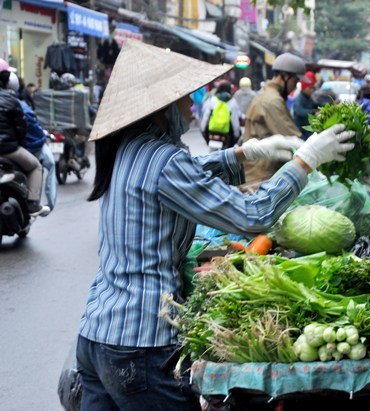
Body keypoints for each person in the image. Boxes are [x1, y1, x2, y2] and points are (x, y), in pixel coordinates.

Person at [75, 40, 354, 410]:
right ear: (161, 108)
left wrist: (243, 153)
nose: (191, 105)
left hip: (95, 337)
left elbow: (182, 178)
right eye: (184, 98)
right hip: (138, 344)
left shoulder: (128, 148)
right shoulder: (164, 160)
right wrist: (304, 163)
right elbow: (251, 216)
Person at [242, 52, 309, 189]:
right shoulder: (273, 101)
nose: (295, 87)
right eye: (295, 81)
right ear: (284, 76)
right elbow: (293, 139)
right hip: (260, 177)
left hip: (259, 174)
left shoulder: (268, 94)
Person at [0, 70, 49, 216]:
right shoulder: (11, 99)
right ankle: (33, 204)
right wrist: (19, 143)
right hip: (8, 149)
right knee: (36, 166)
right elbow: (22, 127)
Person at [14, 74, 57, 210]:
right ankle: (34, 204)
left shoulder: (19, 104)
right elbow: (32, 132)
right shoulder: (17, 105)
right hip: (11, 149)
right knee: (38, 166)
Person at [199, 80, 241, 150]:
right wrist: (236, 134)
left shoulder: (212, 100)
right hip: (227, 133)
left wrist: (203, 129)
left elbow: (206, 115)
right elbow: (235, 121)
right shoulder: (232, 102)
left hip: (212, 130)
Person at [292, 71, 319, 139]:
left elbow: (315, 104)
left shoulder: (308, 98)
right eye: (310, 88)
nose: (311, 90)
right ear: (304, 88)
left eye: (313, 88)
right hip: (300, 131)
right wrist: (313, 112)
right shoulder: (299, 98)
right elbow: (299, 111)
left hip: (307, 131)